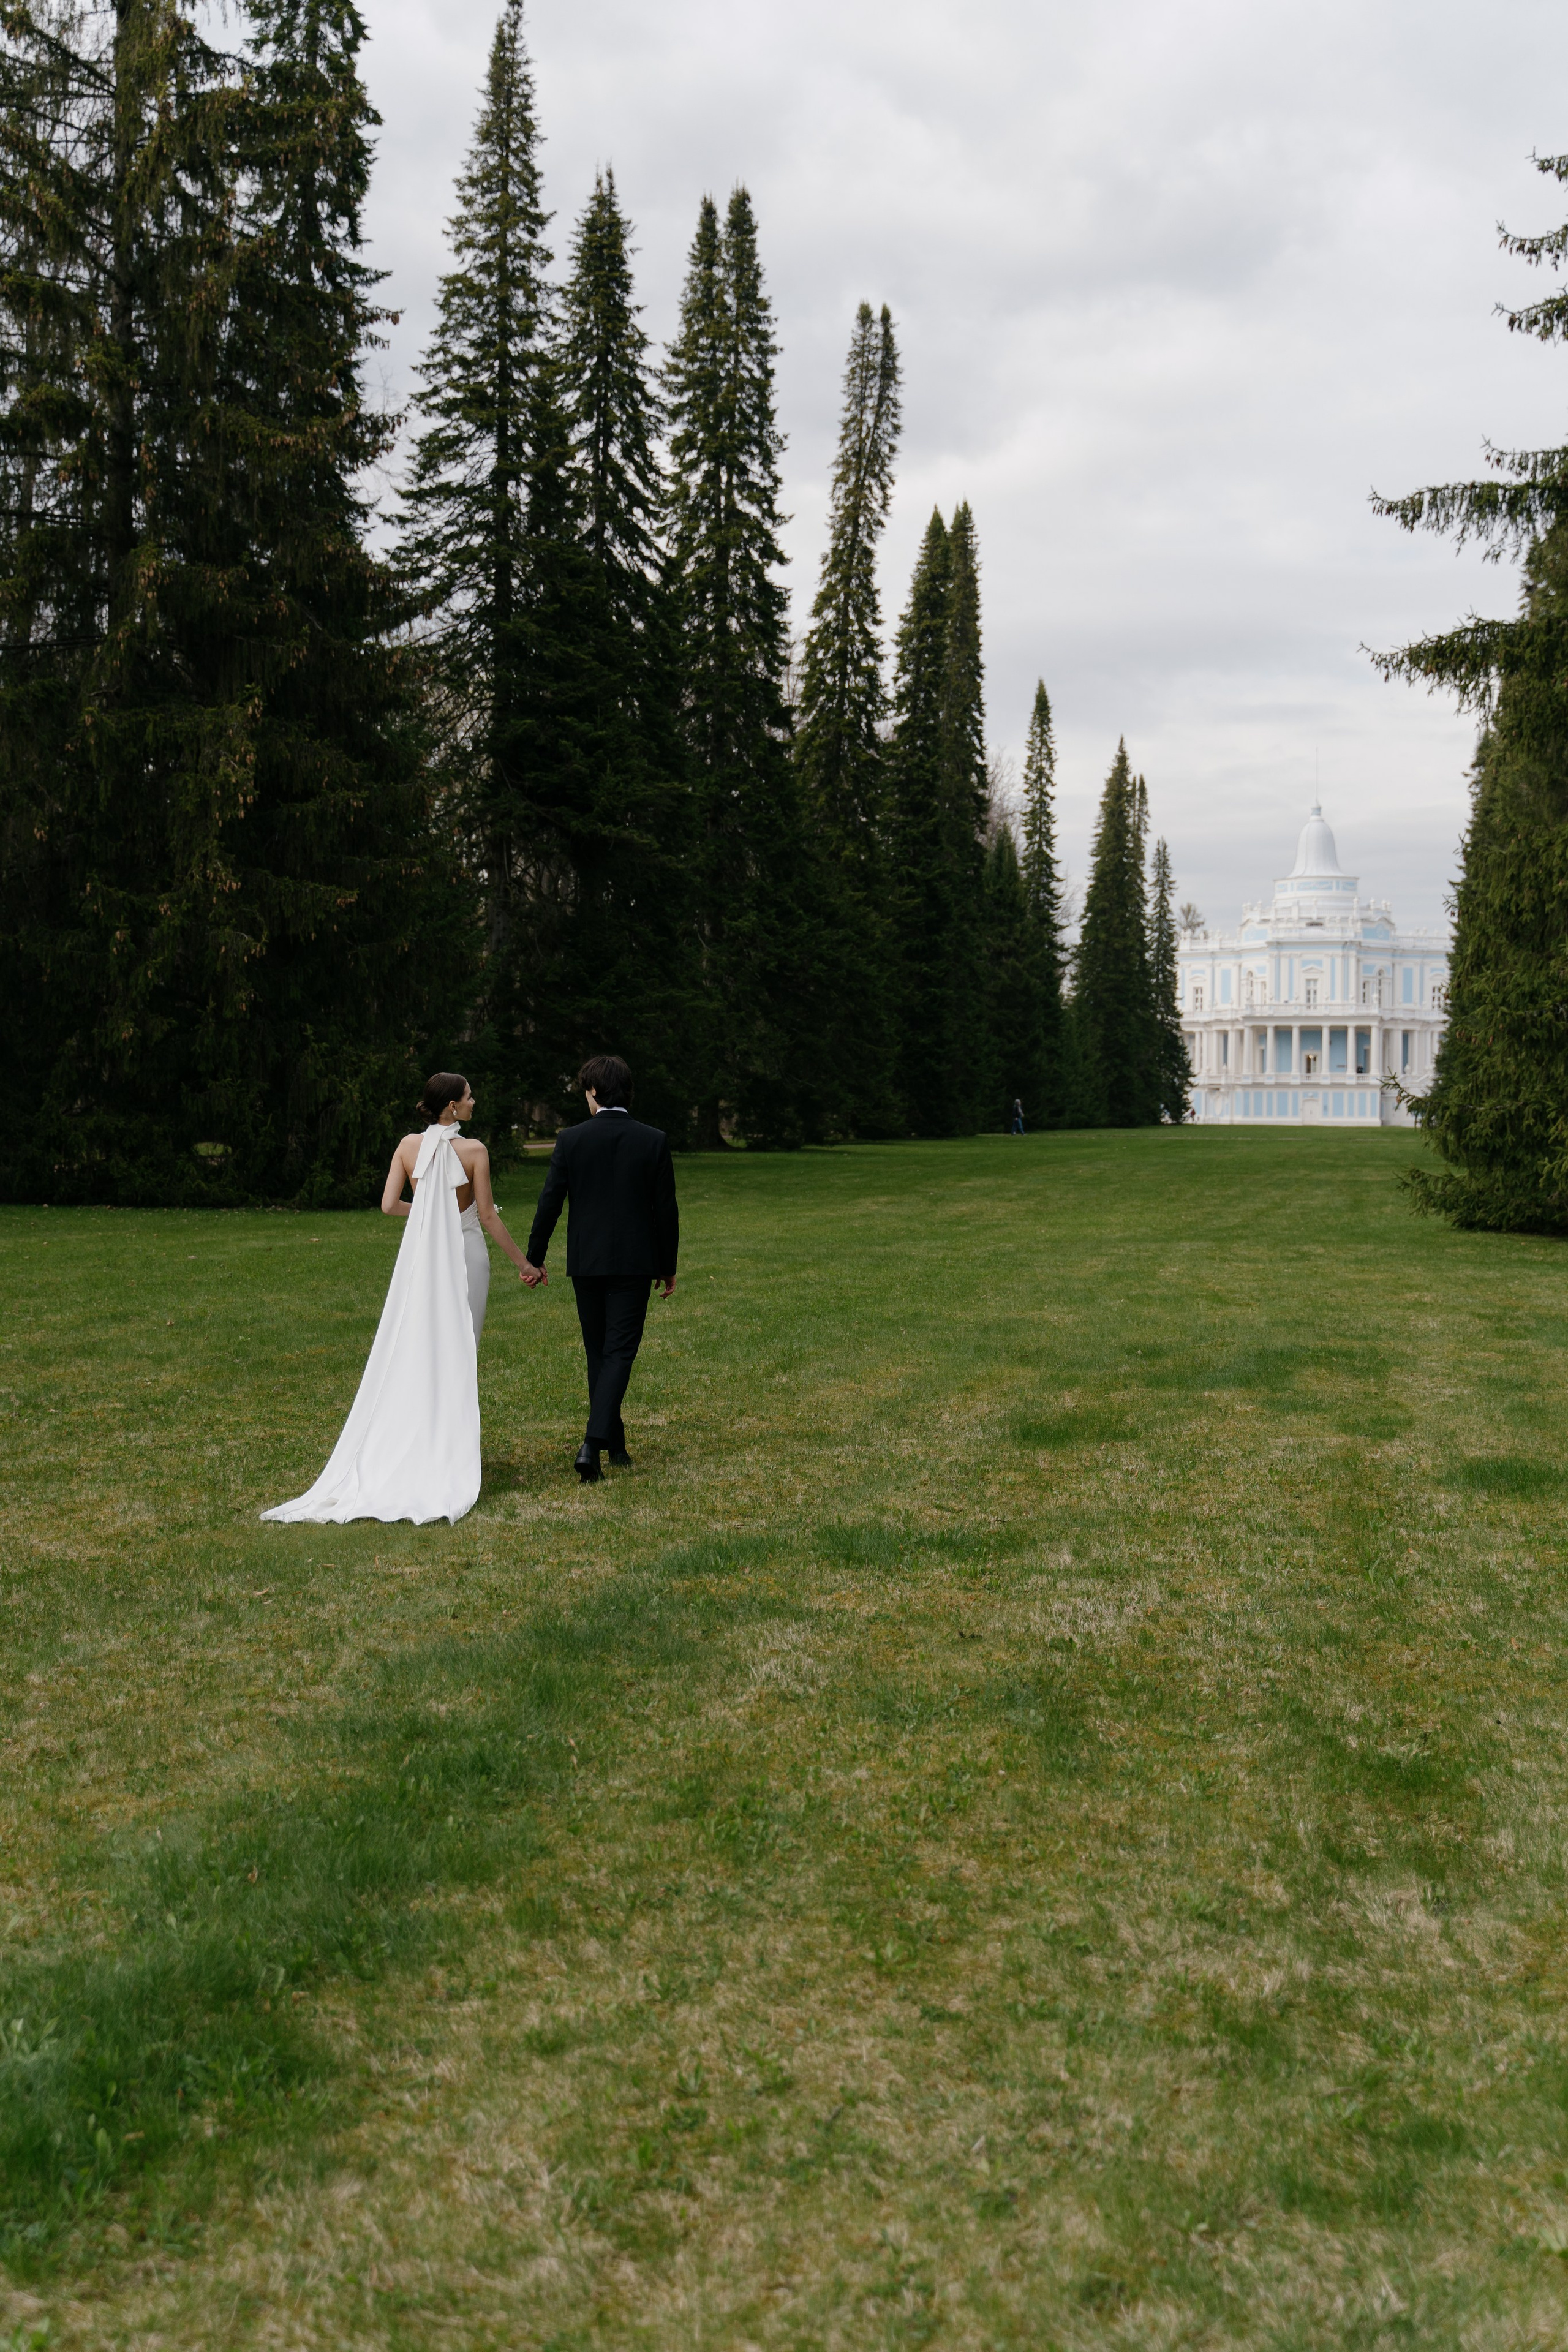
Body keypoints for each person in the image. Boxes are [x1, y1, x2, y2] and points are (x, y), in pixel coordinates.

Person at [262, 1075, 533, 1525]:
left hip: (423, 1255)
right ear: (451, 1106)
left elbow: (389, 1205)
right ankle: (444, 1452)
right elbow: (486, 1215)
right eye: (468, 1097)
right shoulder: (475, 1151)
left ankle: (418, 1446)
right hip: (465, 1254)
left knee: (418, 1349)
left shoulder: (407, 1146)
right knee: (459, 1353)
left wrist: (429, 1210)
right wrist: (524, 1264)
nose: (473, 1102)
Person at [521, 1054, 678, 1484]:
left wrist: (536, 1257)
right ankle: (594, 1443)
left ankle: (617, 1443)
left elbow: (549, 1202)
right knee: (619, 1352)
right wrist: (667, 1266)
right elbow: (665, 1211)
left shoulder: (571, 1139)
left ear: (593, 1092)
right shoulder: (652, 1139)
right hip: (633, 1262)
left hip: (587, 1262)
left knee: (600, 1353)